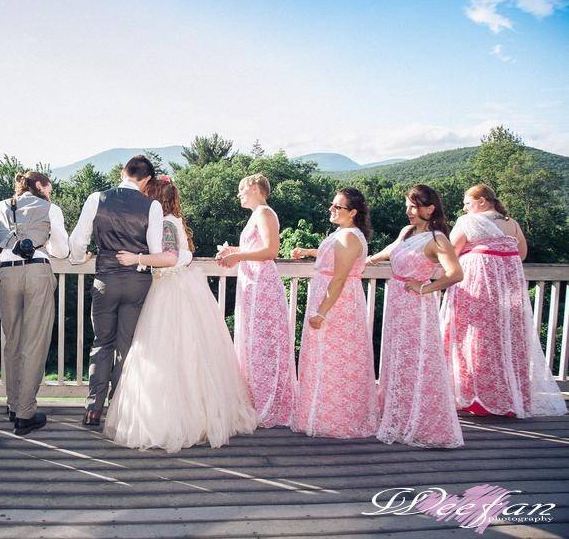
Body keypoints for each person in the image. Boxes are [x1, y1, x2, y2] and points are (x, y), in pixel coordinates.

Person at [104, 177, 257, 452]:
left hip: (172, 291)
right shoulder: (173, 220)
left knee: (170, 355)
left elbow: (171, 258)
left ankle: (173, 421)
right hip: (180, 286)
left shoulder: (164, 223)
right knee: (186, 356)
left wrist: (136, 259)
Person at [441, 184, 566, 418]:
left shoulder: (468, 222)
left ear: (482, 201)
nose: (464, 207)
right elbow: (522, 253)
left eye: (468, 202)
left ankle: (475, 396)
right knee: (507, 340)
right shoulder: (512, 223)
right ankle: (508, 397)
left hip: (477, 287)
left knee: (475, 338)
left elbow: (450, 252)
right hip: (508, 289)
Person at [366, 185, 464, 448]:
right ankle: (397, 413)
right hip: (397, 302)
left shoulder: (437, 239)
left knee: (416, 359)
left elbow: (455, 273)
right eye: (407, 205)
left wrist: (425, 287)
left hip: (417, 308)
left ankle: (420, 419)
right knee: (397, 357)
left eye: (413, 206)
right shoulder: (407, 232)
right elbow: (392, 250)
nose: (407, 211)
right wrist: (368, 260)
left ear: (429, 209)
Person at [68, 155, 163, 426]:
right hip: (137, 281)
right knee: (127, 347)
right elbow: (155, 252)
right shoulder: (152, 205)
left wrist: (78, 258)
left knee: (102, 343)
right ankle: (119, 407)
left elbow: (78, 239)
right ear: (147, 180)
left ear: (123, 172)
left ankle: (93, 408)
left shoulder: (97, 198)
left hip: (105, 280)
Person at [290, 188, 378, 439]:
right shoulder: (344, 234)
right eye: (332, 205)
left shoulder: (350, 237)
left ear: (352, 212)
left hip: (338, 305)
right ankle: (322, 413)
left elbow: (339, 277)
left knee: (336, 361)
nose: (332, 209)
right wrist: (308, 252)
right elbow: (335, 257)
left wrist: (321, 312)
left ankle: (337, 419)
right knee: (325, 359)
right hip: (332, 299)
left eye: (338, 207)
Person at [0, 171, 69, 435]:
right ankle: (25, 413)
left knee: (12, 341)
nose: (51, 193)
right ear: (39, 186)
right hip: (36, 272)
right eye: (49, 187)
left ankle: (12, 405)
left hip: (7, 273)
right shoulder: (49, 208)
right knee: (34, 343)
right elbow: (61, 250)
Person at [216, 174, 296, 428]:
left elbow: (271, 251)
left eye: (241, 189)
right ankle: (255, 401)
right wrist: (233, 252)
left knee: (265, 345)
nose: (238, 194)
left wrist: (237, 255)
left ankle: (270, 405)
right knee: (252, 344)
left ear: (253, 188)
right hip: (251, 285)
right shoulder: (256, 215)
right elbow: (256, 248)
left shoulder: (265, 213)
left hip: (263, 285)